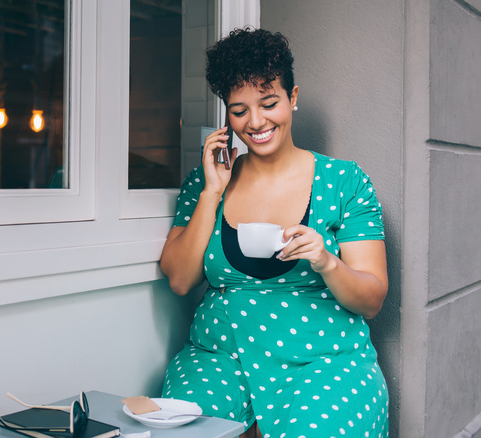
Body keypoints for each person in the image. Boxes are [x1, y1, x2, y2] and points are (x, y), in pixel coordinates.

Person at [159, 28, 389, 438]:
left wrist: (326, 261)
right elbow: (179, 280)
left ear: (292, 98)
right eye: (239, 110)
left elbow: (371, 300)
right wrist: (213, 191)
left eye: (269, 103)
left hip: (323, 361)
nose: (256, 122)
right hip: (220, 356)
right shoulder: (206, 181)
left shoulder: (346, 181)